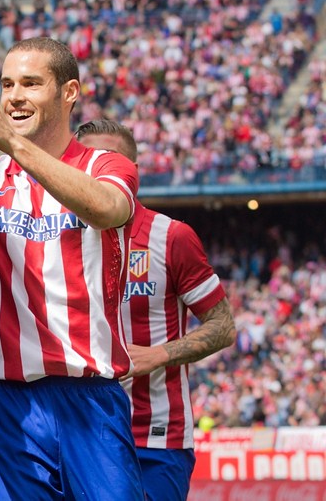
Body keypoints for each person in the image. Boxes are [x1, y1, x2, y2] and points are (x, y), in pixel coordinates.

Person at [0, 37, 144, 499]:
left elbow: (109, 208)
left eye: (31, 83)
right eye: (7, 83)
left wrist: (11, 142)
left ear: (69, 92)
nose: (13, 96)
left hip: (91, 399)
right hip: (9, 405)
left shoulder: (107, 164)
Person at [77, 119, 236, 501]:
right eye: (87, 159)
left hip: (153, 437)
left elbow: (223, 326)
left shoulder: (171, 237)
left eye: (110, 160)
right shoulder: (54, 234)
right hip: (79, 432)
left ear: (132, 172)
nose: (98, 169)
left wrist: (160, 354)